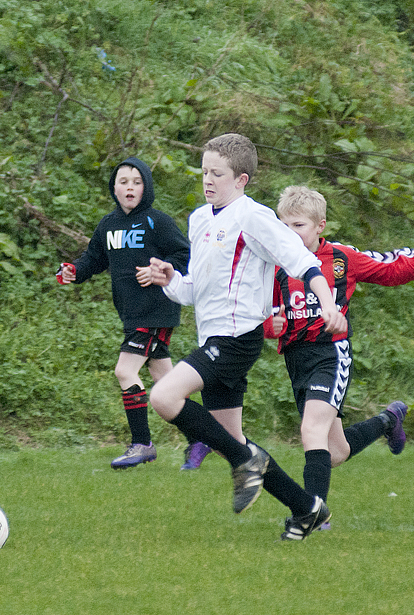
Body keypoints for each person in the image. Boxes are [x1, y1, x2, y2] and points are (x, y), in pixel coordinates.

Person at [147, 133, 348, 541]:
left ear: (241, 180)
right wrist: (171, 280)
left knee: (164, 397)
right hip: (213, 337)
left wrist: (327, 302)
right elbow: (195, 293)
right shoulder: (201, 219)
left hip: (238, 339)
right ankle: (306, 507)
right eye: (204, 171)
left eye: (216, 174)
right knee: (228, 441)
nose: (207, 180)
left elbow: (301, 261)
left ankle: (247, 461)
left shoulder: (253, 217)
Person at [262, 185, 414, 512]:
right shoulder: (274, 263)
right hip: (297, 359)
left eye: (299, 226)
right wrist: (270, 327)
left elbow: (389, 269)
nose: (290, 234)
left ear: (320, 225)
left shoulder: (340, 258)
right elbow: (265, 313)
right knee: (335, 452)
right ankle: (388, 421)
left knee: (311, 431)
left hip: (330, 354)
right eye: (285, 226)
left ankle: (312, 513)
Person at [57, 157, 190, 469]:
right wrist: (74, 270)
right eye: (123, 181)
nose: (130, 187)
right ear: (114, 188)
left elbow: (184, 255)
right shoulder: (108, 225)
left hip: (156, 310)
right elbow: (94, 258)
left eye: (137, 181)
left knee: (124, 371)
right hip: (131, 312)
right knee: (165, 381)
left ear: (146, 187)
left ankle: (141, 443)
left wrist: (161, 269)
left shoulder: (158, 222)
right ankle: (202, 438)